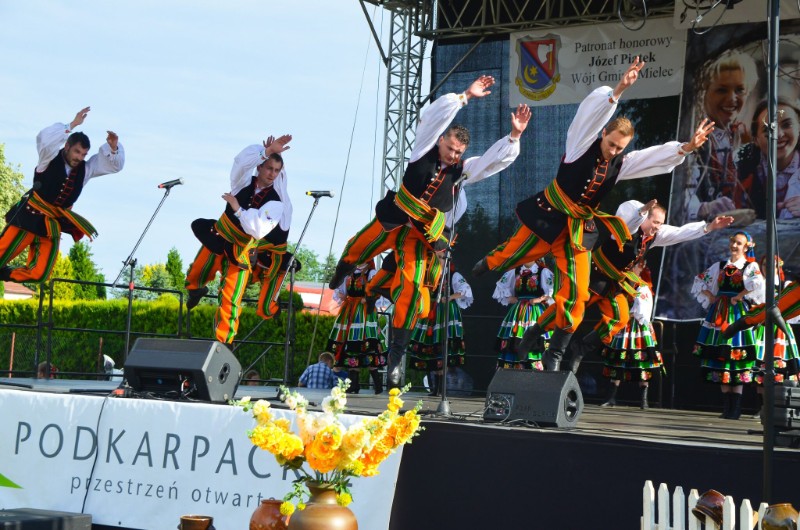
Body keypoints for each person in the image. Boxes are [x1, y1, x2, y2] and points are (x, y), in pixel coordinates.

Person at [474, 56, 715, 371]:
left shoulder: (620, 164)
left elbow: (652, 157)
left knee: (575, 293)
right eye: (612, 144)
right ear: (603, 134)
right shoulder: (579, 146)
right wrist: (617, 91)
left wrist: (686, 147)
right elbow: (586, 118)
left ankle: (555, 353)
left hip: (578, 231)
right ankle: (488, 262)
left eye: (620, 148)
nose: (614, 151)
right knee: (513, 253)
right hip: (550, 214)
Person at [328, 75, 531, 389]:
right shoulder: (423, 149)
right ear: (441, 141)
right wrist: (465, 96)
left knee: (410, 291)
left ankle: (395, 360)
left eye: (457, 151)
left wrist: (514, 137)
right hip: (395, 216)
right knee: (358, 248)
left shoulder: (460, 171)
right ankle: (341, 271)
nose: (452, 154)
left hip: (418, 235)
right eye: (449, 147)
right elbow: (433, 118)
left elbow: (490, 162)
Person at [553, 200, 734, 375]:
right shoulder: (627, 227)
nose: (657, 227)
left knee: (620, 318)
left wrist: (709, 227)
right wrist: (640, 212)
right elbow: (630, 221)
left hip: (614, 284)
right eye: (655, 222)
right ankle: (550, 349)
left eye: (660, 223)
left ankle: (581, 348)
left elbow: (679, 232)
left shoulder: (654, 235)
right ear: (645, 219)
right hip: (595, 277)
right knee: (570, 310)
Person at [184, 135, 291, 343]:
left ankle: (224, 342)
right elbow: (240, 163)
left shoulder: (277, 203)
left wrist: (238, 209)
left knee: (231, 298)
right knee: (198, 269)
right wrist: (265, 152)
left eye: (276, 171)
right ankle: (195, 289)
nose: (272, 174)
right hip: (219, 235)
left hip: (241, 250)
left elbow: (258, 230)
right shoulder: (242, 181)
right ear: (260, 168)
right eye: (269, 168)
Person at [0, 107, 125, 283]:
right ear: (67, 146)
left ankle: (4, 274)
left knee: (40, 274)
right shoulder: (48, 158)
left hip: (51, 226)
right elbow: (43, 139)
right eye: (77, 152)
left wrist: (113, 149)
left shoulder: (86, 170)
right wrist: (72, 124)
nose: (80, 157)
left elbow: (114, 166)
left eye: (84, 154)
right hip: (28, 218)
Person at [691, 231, 765, 420]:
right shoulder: (721, 265)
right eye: (733, 242)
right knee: (721, 357)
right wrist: (712, 297)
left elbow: (757, 283)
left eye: (738, 243)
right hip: (719, 312)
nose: (734, 246)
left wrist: (740, 296)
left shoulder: (750, 266)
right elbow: (701, 279)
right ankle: (727, 407)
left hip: (737, 313)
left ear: (746, 246)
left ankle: (737, 408)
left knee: (736, 357)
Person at [684, 50, 759, 222]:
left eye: (740, 90)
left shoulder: (744, 137)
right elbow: (678, 195)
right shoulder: (692, 135)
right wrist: (704, 208)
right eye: (722, 90)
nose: (732, 98)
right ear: (704, 92)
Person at [599, 263, 663, 409]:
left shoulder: (643, 286)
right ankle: (611, 398)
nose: (630, 269)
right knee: (618, 360)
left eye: (633, 266)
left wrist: (626, 315)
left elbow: (643, 310)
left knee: (641, 361)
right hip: (624, 326)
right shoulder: (623, 284)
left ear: (640, 267)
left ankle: (643, 400)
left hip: (637, 327)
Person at [407, 258, 473, 396]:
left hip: (446, 313)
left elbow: (465, 290)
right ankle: (435, 388)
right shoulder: (429, 274)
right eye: (435, 258)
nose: (437, 261)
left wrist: (450, 297)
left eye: (441, 258)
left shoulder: (453, 275)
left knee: (444, 347)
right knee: (432, 349)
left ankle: (440, 389)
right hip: (432, 312)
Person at [328, 260, 386, 395]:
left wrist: (368, 298)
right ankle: (354, 385)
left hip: (365, 312)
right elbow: (340, 291)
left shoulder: (371, 273)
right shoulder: (349, 274)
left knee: (368, 346)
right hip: (350, 311)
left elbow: (377, 290)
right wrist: (343, 296)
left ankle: (378, 385)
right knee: (352, 347)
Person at [737, 98, 800, 220]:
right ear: (755, 139)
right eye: (768, 129)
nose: (779, 134)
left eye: (787, 125)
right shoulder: (740, 167)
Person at [493, 259, 554, 370]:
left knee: (535, 337)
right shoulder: (515, 271)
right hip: (518, 311)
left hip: (535, 311)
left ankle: (535, 369)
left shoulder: (542, 271)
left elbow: (553, 290)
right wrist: (509, 297)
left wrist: (540, 299)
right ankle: (515, 369)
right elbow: (501, 286)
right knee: (514, 338)